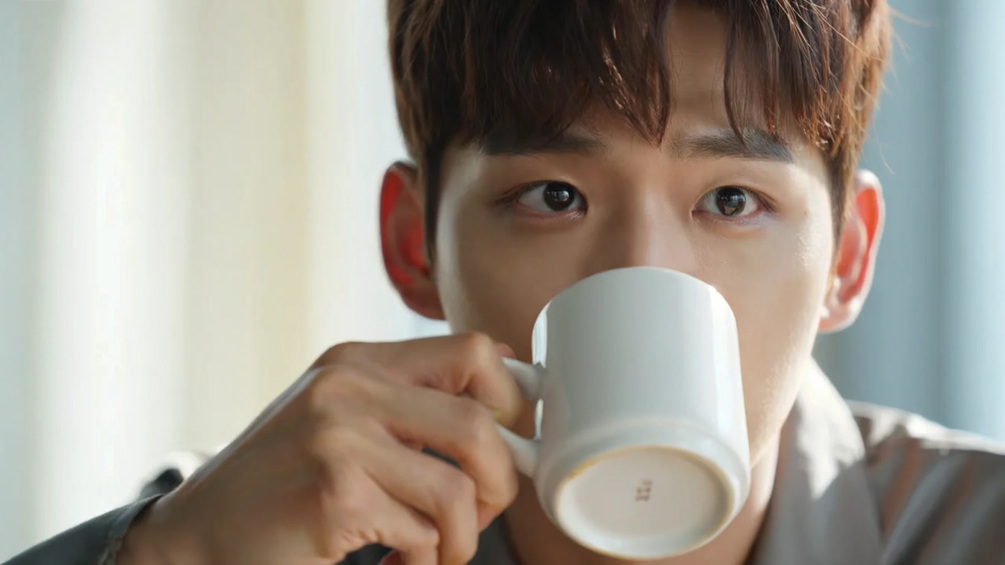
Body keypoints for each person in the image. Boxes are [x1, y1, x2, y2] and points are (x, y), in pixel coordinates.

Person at [8, 1, 1005, 564]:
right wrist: (169, 557)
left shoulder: (976, 530)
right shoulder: (265, 532)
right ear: (414, 244)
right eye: (554, 195)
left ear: (846, 258)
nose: (641, 268)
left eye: (732, 199)